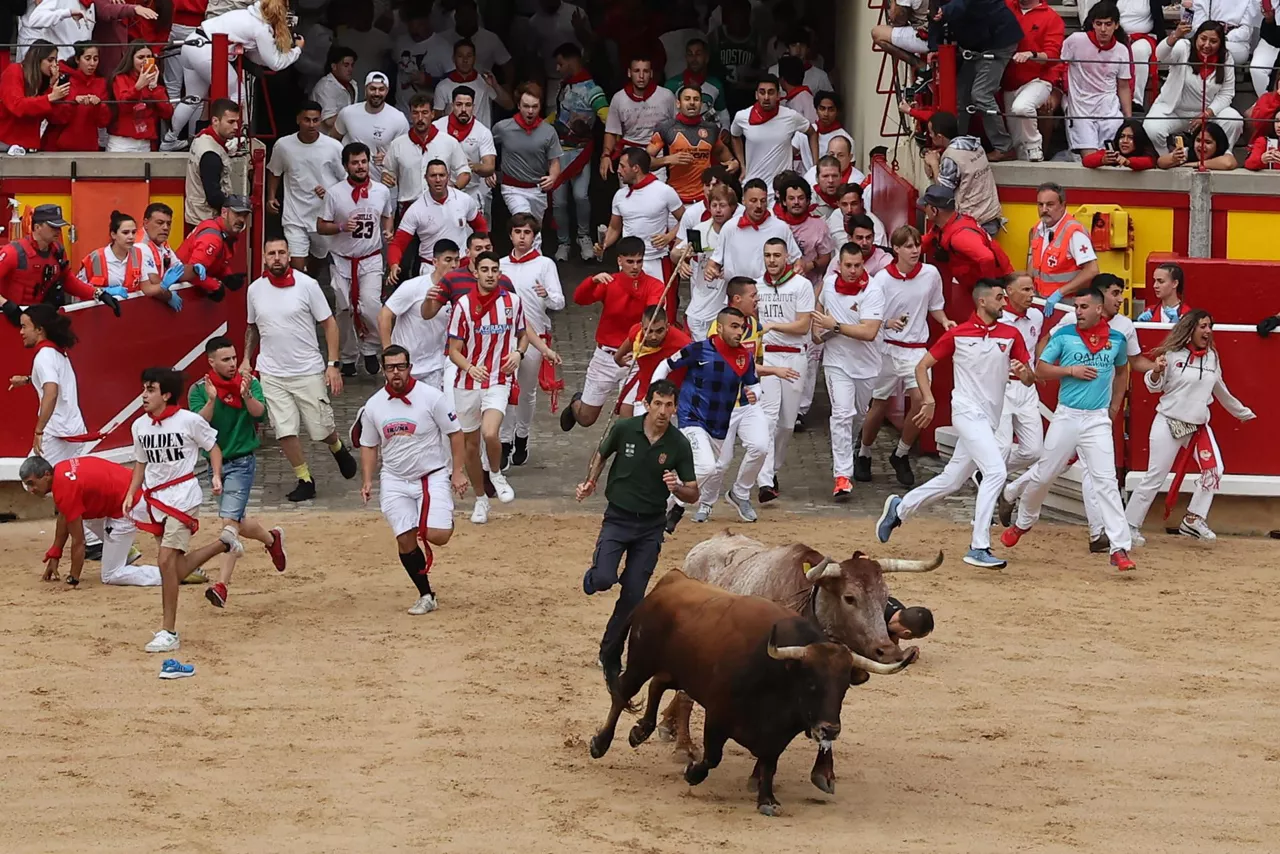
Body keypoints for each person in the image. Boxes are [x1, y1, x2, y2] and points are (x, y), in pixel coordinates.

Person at [877, 279, 1035, 569]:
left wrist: (1024, 372)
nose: (1004, 303)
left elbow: (1029, 377)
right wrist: (928, 400)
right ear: (982, 301)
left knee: (952, 479)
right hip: (965, 412)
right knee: (996, 471)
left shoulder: (1012, 334)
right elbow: (922, 366)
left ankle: (901, 508)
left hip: (988, 420)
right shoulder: (958, 334)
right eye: (999, 298)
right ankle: (979, 545)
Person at [999, 288, 1136, 571]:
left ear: (1100, 309)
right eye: (1077, 307)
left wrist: (1115, 405)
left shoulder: (1117, 339)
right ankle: (1023, 522)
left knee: (1106, 480)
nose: (1079, 312)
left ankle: (1119, 546)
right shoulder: (1064, 335)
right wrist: (1070, 371)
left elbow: (1123, 370)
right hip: (1067, 416)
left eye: (1084, 306)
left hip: (1097, 418)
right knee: (1045, 474)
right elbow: (1041, 369)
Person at [578, 378, 698, 682]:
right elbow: (601, 454)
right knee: (604, 578)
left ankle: (610, 653)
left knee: (633, 596)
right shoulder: (624, 428)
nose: (662, 411)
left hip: (651, 526)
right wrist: (591, 481)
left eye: (668, 405)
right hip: (618, 518)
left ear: (674, 408)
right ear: (646, 404)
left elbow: (693, 492)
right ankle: (592, 578)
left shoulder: (678, 444)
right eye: (657, 403)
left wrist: (677, 487)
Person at [124, 366, 247, 653]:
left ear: (166, 395)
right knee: (173, 569)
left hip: (182, 497)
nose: (143, 395)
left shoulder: (189, 421)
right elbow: (141, 463)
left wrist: (217, 476)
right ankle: (223, 543)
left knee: (166, 561)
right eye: (143, 388)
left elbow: (213, 448)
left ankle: (169, 631)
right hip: (155, 501)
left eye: (150, 389)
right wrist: (132, 493)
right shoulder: (139, 426)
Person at [1123, 310, 1255, 543]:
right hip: (1168, 420)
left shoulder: (1212, 357)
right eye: (1203, 326)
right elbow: (1154, 387)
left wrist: (1241, 412)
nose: (1208, 331)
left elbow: (1220, 388)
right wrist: (1156, 371)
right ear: (1190, 329)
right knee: (1155, 476)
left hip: (1197, 426)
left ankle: (1193, 519)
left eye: (1209, 326)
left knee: (1214, 471)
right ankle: (1128, 526)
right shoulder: (1172, 356)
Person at [356, 344, 469, 615]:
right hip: (394, 479)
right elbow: (369, 445)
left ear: (410, 368)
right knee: (405, 539)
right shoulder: (373, 405)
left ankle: (432, 519)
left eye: (401, 366)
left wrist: (458, 471)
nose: (397, 372)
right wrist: (368, 480)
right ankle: (426, 594)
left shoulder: (432, 397)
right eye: (391, 367)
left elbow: (455, 433)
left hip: (431, 476)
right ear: (383, 370)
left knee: (438, 535)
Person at [242, 236, 356, 503]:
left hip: (307, 369)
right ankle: (305, 478)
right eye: (272, 253)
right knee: (284, 429)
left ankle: (336, 446)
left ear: (289, 254)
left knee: (320, 428)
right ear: (264, 256)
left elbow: (329, 324)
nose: (277, 257)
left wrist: (333, 364)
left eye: (282, 252)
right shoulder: (255, 290)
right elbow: (252, 327)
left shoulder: (308, 285)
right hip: (271, 371)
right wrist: (247, 359)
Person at [188, 336, 286, 608]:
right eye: (226, 359)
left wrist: (245, 396)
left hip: (242, 461)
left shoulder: (249, 383)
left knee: (229, 525)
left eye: (234, 358)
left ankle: (222, 585)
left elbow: (260, 415)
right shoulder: (199, 390)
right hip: (216, 464)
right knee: (238, 520)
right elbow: (198, 425)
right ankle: (271, 539)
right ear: (211, 362)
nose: (233, 364)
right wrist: (211, 400)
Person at [649, 307, 761, 531]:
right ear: (719, 327)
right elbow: (666, 365)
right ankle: (676, 507)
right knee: (708, 467)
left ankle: (663, 506)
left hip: (719, 427)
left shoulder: (744, 357)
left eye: (742, 327)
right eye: (734, 326)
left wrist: (754, 394)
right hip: (691, 418)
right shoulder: (699, 349)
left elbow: (754, 384)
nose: (739, 332)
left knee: (710, 468)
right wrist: (654, 395)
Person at [857, 226, 953, 487]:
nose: (914, 251)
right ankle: (864, 452)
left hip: (916, 350)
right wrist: (887, 323)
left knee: (922, 402)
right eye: (908, 246)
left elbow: (936, 306)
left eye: (916, 246)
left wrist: (944, 322)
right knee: (879, 405)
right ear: (896, 249)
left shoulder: (931, 274)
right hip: (887, 348)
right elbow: (868, 314)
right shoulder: (881, 280)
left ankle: (900, 453)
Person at [447, 252, 536, 524]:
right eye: (484, 269)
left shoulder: (513, 302)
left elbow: (523, 336)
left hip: (498, 379)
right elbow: (453, 350)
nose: (489, 274)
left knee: (490, 432)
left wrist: (519, 354)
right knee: (470, 447)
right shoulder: (462, 305)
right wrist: (468, 367)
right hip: (467, 383)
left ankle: (496, 473)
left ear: (500, 273)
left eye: (494, 269)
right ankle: (480, 499)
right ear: (475, 272)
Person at [164, 0, 302, 150]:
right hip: (208, 50)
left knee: (192, 99)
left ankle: (168, 141)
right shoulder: (261, 28)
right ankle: (232, 139)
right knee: (238, 92)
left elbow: (258, 57)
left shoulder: (246, 14)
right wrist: (297, 50)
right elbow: (276, 63)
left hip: (192, 42)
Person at [561, 238, 666, 432]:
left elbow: (651, 314)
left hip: (635, 357)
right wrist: (592, 281)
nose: (635, 267)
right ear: (620, 260)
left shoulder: (655, 285)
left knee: (627, 416)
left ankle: (625, 457)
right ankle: (576, 403)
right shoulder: (609, 282)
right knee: (586, 418)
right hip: (605, 356)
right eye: (630, 261)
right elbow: (579, 299)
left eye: (639, 261)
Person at [811, 244, 884, 500]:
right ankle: (842, 476)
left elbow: (869, 332)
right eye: (848, 265)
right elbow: (818, 311)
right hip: (836, 362)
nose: (853, 271)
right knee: (841, 414)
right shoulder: (829, 285)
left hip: (867, 365)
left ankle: (847, 456)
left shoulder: (873, 290)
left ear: (864, 264)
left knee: (857, 416)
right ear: (839, 265)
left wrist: (836, 326)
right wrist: (819, 332)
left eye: (857, 265)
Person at [20, 454, 161, 587]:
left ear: (46, 475)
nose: (31, 489)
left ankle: (170, 574)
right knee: (82, 516)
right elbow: (65, 516)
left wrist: (73, 578)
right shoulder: (61, 469)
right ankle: (124, 551)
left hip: (131, 503)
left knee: (111, 575)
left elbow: (79, 541)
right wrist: (55, 553)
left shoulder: (65, 488)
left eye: (32, 483)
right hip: (132, 489)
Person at [318, 142, 396, 376]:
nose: (360, 166)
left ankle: (371, 348)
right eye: (355, 163)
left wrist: (388, 230)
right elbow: (321, 225)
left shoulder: (381, 191)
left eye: (363, 161)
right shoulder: (334, 193)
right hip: (342, 259)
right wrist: (341, 226)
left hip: (370, 258)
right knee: (343, 308)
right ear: (346, 166)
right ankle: (349, 355)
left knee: (370, 305)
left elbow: (387, 215)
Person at [500, 214, 565, 468]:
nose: (522, 237)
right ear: (511, 235)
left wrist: (546, 295)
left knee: (526, 392)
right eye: (517, 232)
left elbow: (559, 302)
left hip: (535, 335)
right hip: (504, 338)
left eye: (527, 233)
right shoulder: (501, 264)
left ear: (534, 236)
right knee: (505, 392)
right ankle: (504, 442)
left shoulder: (545, 264)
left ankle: (522, 435)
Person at [752, 237, 814, 502]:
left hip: (795, 358)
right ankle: (764, 480)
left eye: (777, 255)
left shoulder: (802, 285)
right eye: (768, 255)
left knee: (787, 423)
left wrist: (774, 326)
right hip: (767, 357)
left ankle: (773, 470)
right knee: (768, 418)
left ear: (786, 256)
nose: (772, 260)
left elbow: (803, 326)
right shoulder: (756, 286)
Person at [597, 149, 686, 322]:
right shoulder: (620, 195)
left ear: (636, 168)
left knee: (660, 311)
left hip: (656, 261)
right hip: (628, 263)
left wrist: (670, 237)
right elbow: (614, 228)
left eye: (623, 166)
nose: (619, 170)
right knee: (627, 309)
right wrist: (604, 245)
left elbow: (685, 219)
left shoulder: (664, 191)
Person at [932, 0, 1023, 161]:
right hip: (976, 44)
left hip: (998, 41)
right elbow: (935, 16)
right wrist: (933, 47)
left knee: (981, 94)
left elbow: (958, 5)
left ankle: (1004, 147)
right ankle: (956, 145)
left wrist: (945, 11)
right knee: (961, 96)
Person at [0, 204, 117, 326]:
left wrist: (98, 293)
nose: (58, 231)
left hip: (38, 321)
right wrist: (5, 304)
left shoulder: (57, 251)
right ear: (37, 226)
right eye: (53, 226)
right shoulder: (13, 252)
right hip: (9, 318)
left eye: (59, 226)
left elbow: (68, 280)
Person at [267, 101, 346, 275]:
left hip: (323, 217)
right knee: (297, 266)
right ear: (298, 120)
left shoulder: (333, 147)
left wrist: (330, 194)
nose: (311, 125)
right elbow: (275, 171)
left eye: (316, 120)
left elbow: (345, 180)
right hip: (294, 216)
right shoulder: (283, 145)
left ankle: (312, 284)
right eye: (307, 120)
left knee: (319, 258)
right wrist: (271, 197)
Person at [1144, 21, 1244, 156]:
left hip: (1207, 114)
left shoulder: (1226, 58)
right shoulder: (1183, 47)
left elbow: (1227, 93)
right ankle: (1168, 157)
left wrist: (1207, 113)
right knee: (1151, 129)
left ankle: (1220, 157)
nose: (1207, 45)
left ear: (1221, 43)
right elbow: (1161, 55)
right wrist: (1175, 36)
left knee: (1234, 120)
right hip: (1175, 111)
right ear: (1196, 37)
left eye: (1213, 41)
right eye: (1203, 39)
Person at [549, 42, 608, 262]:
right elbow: (556, 118)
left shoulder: (593, 89)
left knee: (581, 196)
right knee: (559, 202)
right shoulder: (564, 86)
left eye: (560, 63)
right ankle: (563, 242)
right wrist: (538, 125)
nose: (557, 68)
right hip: (557, 151)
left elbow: (607, 116)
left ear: (572, 61)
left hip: (581, 152)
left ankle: (584, 237)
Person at [387, 159, 487, 285]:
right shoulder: (416, 209)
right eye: (433, 176)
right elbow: (398, 243)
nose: (438, 179)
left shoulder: (464, 200)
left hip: (461, 267)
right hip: (431, 270)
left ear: (448, 176)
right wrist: (394, 264)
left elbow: (480, 226)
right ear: (426, 178)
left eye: (442, 175)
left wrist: (480, 253)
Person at [379, 239, 460, 389]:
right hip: (405, 366)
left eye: (457, 260)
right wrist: (388, 353)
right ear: (435, 262)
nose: (453, 265)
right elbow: (385, 314)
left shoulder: (460, 292)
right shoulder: (413, 286)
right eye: (447, 260)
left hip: (436, 367)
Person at [491, 83, 564, 246]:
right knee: (526, 227)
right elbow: (486, 147)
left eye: (534, 107)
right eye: (526, 106)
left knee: (535, 232)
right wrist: (489, 170)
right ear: (518, 105)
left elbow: (555, 161)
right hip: (512, 188)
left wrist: (552, 177)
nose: (530, 111)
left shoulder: (548, 131)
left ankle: (534, 265)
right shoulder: (503, 128)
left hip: (538, 190)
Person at [1060, 2, 1132, 159]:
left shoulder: (1122, 50)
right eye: (1099, 24)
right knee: (1090, 159)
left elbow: (1124, 86)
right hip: (1080, 111)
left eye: (1108, 24)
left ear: (1117, 25)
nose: (1103, 29)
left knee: (1112, 158)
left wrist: (1128, 118)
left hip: (1110, 111)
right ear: (1092, 24)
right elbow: (1059, 65)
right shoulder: (1075, 40)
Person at [730, 76, 818, 199]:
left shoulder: (790, 116)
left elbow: (812, 133)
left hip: (782, 190)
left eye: (771, 92)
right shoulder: (742, 116)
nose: (766, 97)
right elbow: (734, 136)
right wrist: (742, 165)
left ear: (778, 95)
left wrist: (816, 166)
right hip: (753, 188)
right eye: (762, 92)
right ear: (756, 95)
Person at [648, 86, 736, 207]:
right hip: (675, 200)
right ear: (678, 103)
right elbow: (645, 162)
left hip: (704, 200)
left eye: (696, 99)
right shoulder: (666, 128)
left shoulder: (711, 129)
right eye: (687, 99)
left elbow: (723, 153)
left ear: (701, 104)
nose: (692, 103)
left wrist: (733, 163)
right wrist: (668, 159)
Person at [673, 182, 739, 341]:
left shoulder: (739, 232)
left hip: (727, 306)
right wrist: (682, 262)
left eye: (722, 205)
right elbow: (675, 253)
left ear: (732, 208)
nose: (717, 209)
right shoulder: (700, 231)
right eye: (714, 205)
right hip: (701, 305)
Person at [999, 0, 1064, 163]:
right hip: (1009, 82)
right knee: (1018, 143)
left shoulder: (1052, 17)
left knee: (1022, 107)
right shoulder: (1007, 6)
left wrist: (1032, 54)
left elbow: (1053, 55)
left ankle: (1035, 144)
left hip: (1038, 80)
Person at [704, 179, 802, 284]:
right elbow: (715, 261)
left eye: (763, 201)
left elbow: (797, 260)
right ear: (743, 201)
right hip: (738, 293)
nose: (759, 206)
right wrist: (710, 270)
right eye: (753, 200)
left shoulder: (780, 227)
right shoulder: (730, 228)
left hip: (771, 293)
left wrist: (798, 269)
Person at [383, 94, 472, 209]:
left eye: (424, 113)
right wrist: (386, 177)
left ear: (432, 114)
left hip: (442, 206)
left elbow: (464, 171)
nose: (420, 118)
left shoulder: (449, 142)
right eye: (415, 113)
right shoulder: (397, 144)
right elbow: (388, 172)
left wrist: (454, 188)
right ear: (410, 115)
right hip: (409, 207)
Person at [996, 272, 1046, 476]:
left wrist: (1039, 368)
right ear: (1009, 291)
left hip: (1027, 387)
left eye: (1032, 289)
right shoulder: (998, 318)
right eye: (1026, 290)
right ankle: (993, 484)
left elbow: (1039, 343)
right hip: (1003, 386)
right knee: (1003, 447)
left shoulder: (1036, 316)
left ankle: (989, 473)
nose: (1031, 294)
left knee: (1034, 451)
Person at [921, 112, 1003, 236]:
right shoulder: (975, 144)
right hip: (992, 215)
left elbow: (942, 192)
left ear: (939, 136)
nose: (930, 137)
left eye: (931, 134)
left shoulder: (951, 157)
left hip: (973, 223)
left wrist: (933, 164)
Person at [919, 185, 1015, 289]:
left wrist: (987, 290)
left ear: (934, 210)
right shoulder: (945, 225)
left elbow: (987, 258)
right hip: (970, 283)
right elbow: (924, 243)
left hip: (992, 285)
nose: (924, 209)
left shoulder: (959, 237)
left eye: (925, 206)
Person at [601, 56, 679, 181]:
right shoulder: (619, 98)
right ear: (629, 73)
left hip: (658, 154)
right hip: (629, 155)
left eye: (646, 71)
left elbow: (678, 127)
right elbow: (611, 131)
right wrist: (605, 155)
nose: (641, 76)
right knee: (629, 197)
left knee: (657, 197)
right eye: (637, 71)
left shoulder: (666, 96)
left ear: (651, 73)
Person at [79, 211, 172, 308]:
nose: (131, 237)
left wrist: (163, 285)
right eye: (125, 233)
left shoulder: (138, 254)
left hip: (127, 312)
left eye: (133, 232)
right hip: (99, 312)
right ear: (113, 234)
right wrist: (105, 291)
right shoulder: (96, 258)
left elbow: (147, 289)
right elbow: (80, 290)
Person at [612, 304, 692, 417]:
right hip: (645, 397)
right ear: (642, 327)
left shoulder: (683, 344)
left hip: (673, 402)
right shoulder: (637, 333)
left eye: (659, 331)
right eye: (649, 331)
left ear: (667, 326)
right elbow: (625, 347)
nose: (653, 337)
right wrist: (618, 358)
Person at [1027, 182, 1099, 307]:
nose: (1044, 209)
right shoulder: (1038, 229)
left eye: (1050, 204)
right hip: (1041, 300)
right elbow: (1034, 261)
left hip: (1067, 303)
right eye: (1040, 204)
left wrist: (1060, 293)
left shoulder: (1074, 232)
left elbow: (1092, 270)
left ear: (1063, 206)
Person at [170, 197, 252, 305]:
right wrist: (215, 286)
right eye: (237, 214)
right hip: (177, 290)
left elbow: (215, 259)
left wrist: (227, 276)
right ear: (224, 212)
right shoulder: (212, 238)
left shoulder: (224, 230)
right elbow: (190, 272)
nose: (241, 220)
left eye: (244, 216)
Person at [436, 86, 499, 223]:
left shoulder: (482, 132)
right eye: (459, 104)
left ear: (473, 106)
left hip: (471, 193)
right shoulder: (436, 128)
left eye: (468, 105)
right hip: (441, 193)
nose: (463, 109)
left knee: (475, 238)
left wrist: (473, 166)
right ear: (452, 105)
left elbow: (489, 167)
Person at [335, 72, 411, 184]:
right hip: (349, 183)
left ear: (387, 91)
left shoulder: (398, 118)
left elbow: (405, 153)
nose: (377, 93)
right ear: (366, 89)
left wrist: (388, 157)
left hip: (381, 183)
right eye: (372, 89)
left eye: (381, 89)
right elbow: (333, 139)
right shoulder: (348, 113)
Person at [0, 40, 69, 152]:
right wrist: (50, 97)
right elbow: (17, 105)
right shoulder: (14, 71)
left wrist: (51, 86)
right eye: (50, 60)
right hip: (6, 142)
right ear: (37, 59)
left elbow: (52, 116)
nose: (54, 65)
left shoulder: (42, 81)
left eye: (56, 60)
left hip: (28, 144)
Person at [182, 99, 241, 228]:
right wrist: (236, 205)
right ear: (215, 121)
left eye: (237, 121)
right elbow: (213, 196)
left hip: (198, 217)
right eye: (231, 122)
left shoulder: (202, 138)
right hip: (207, 221)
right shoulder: (211, 154)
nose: (236, 127)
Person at [103, 40, 170, 152]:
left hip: (145, 142)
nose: (145, 61)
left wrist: (154, 88)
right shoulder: (120, 78)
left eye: (149, 57)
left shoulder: (155, 82)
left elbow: (167, 113)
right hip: (122, 142)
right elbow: (124, 106)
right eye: (141, 57)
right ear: (131, 59)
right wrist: (138, 87)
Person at [42, 42, 109, 152]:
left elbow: (104, 121)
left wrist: (98, 105)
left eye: (95, 59)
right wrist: (73, 103)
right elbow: (54, 117)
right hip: (58, 146)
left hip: (88, 146)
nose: (92, 63)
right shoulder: (64, 79)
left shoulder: (101, 83)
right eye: (87, 58)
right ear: (77, 59)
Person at [776, 173, 834, 285]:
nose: (796, 202)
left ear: (808, 201)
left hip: (811, 286)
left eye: (801, 198)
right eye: (791, 198)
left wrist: (809, 266)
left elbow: (826, 258)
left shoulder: (819, 225)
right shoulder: (775, 225)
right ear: (783, 201)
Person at [665, 37, 732, 128]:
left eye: (698, 54)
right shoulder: (671, 85)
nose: (694, 58)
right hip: (680, 136)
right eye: (690, 54)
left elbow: (722, 112)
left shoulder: (716, 85)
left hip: (709, 135)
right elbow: (665, 115)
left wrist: (725, 130)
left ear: (706, 58)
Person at [870, 0, 930, 71]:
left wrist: (893, 2)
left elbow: (898, 22)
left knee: (877, 33)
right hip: (941, 26)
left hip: (931, 37)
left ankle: (923, 68)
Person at [312, 44, 359, 137]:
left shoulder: (353, 84)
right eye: (346, 65)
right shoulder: (325, 87)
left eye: (352, 65)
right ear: (334, 66)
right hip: (325, 139)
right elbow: (328, 121)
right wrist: (356, 114)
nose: (350, 69)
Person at [1157, 122, 1240, 171]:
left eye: (1208, 142)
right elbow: (1160, 162)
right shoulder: (1188, 151)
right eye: (1198, 140)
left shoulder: (1223, 152)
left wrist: (1196, 164)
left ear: (1218, 144)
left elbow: (1228, 163)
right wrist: (1173, 158)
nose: (1201, 146)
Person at [1082, 119, 1160, 170]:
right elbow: (1086, 160)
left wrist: (1127, 162)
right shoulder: (1114, 153)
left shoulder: (1148, 154)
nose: (1125, 141)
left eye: (1130, 137)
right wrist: (1102, 160)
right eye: (1122, 136)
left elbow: (1150, 161)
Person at [137, 203, 179, 278]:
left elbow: (178, 269)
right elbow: (151, 280)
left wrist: (194, 269)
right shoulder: (137, 246)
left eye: (168, 224)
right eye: (160, 223)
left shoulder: (162, 242)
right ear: (146, 223)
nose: (165, 228)